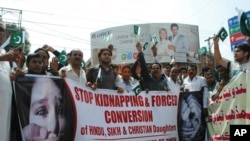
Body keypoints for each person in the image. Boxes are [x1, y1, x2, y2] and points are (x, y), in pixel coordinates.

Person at [0, 20, 23, 141]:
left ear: (5, 35)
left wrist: (18, 75)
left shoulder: (8, 58)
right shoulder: (5, 56)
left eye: (1, 29)